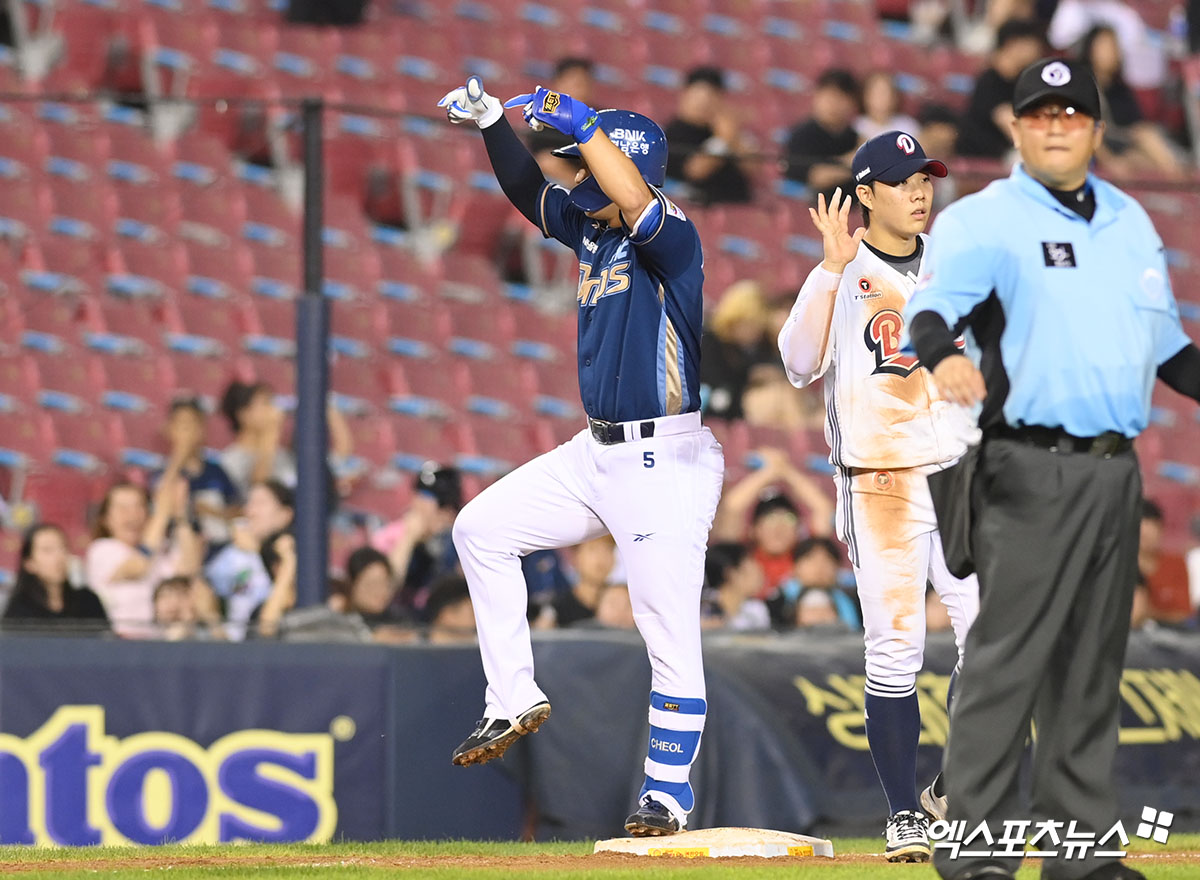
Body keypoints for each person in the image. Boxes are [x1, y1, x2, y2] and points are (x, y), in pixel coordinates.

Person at [906, 57, 1200, 880]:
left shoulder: (1132, 222)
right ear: (1016, 127)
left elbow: (1171, 350)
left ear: (1098, 129)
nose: (1057, 125)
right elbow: (929, 310)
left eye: (1072, 113)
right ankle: (975, 853)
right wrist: (942, 357)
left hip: (1115, 472)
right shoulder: (985, 218)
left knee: (1091, 667)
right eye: (1040, 113)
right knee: (1008, 662)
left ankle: (1082, 856)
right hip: (1028, 466)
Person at [437, 76, 724, 837]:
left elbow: (634, 199)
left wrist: (587, 124)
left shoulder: (672, 237)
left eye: (584, 161)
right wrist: (494, 123)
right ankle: (511, 698)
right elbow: (528, 190)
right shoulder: (593, 228)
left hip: (664, 458)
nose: (571, 175)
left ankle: (667, 794)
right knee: (480, 530)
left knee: (666, 627)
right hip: (596, 452)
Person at [777, 130, 981, 861]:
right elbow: (798, 362)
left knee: (998, 644)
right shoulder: (843, 269)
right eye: (902, 181)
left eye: (925, 177)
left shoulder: (956, 266)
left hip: (961, 474)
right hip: (881, 481)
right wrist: (829, 271)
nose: (920, 191)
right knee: (896, 650)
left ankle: (950, 790)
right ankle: (902, 815)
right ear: (864, 194)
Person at [86, 479, 202, 638]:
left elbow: (189, 571)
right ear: (105, 519)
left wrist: (180, 515)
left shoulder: (160, 549)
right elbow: (139, 567)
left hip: (159, 641)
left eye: (139, 507)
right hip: (121, 642)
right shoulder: (102, 549)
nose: (132, 514)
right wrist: (163, 511)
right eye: (123, 508)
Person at [711, 447, 835, 589]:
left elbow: (823, 508)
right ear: (754, 530)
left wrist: (787, 470)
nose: (778, 528)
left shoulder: (805, 558)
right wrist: (769, 471)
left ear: (798, 529)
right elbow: (732, 507)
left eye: (788, 519)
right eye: (770, 519)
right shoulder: (742, 557)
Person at [1077, 25, 1183, 178]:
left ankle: (1176, 176)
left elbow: (1136, 124)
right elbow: (1085, 131)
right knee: (1145, 137)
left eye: (1114, 46)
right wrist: (1110, 161)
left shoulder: (1119, 88)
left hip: (1121, 144)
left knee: (1145, 151)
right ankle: (1177, 175)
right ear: (1090, 49)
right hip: (1095, 149)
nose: (1111, 52)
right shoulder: (1082, 86)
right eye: (1105, 46)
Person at [203, 479, 295, 640]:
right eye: (249, 503)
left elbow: (287, 601)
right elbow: (202, 590)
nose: (250, 511)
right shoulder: (232, 554)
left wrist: (256, 551)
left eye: (260, 503)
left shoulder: (290, 550)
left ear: (285, 515)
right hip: (234, 644)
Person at [370, 463, 462, 614]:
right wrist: (409, 538)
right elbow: (386, 588)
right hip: (393, 618)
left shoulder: (454, 541)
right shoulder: (389, 537)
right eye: (419, 498)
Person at [157, 397, 240, 549]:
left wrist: (214, 512)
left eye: (194, 423)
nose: (188, 431)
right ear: (170, 429)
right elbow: (158, 507)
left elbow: (238, 509)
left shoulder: (216, 470)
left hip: (221, 546)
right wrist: (179, 455)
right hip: (180, 549)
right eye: (182, 424)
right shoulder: (162, 472)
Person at [663, 66, 753, 205]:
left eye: (711, 97)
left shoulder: (721, 129)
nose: (703, 104)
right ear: (684, 95)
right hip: (695, 207)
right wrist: (724, 140)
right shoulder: (673, 133)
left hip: (738, 207)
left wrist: (732, 137)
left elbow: (753, 168)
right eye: (698, 97)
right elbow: (695, 171)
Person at [957, 19, 1046, 158]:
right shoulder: (989, 81)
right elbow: (1012, 126)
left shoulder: (1022, 81)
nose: (1038, 50)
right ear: (1013, 44)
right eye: (1033, 43)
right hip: (981, 155)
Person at [2, 524, 109, 633]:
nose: (59, 556)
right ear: (29, 563)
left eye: (63, 547)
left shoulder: (88, 601)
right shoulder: (19, 610)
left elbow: (105, 638)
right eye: (48, 550)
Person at [782, 68, 861, 193]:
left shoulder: (855, 137)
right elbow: (817, 177)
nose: (834, 104)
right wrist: (856, 163)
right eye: (829, 97)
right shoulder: (802, 136)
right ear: (816, 96)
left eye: (841, 98)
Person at [775, 537, 861, 630]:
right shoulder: (779, 602)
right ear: (795, 566)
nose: (819, 566)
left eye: (827, 560)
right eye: (810, 559)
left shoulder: (855, 600)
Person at [532, 534, 616, 628]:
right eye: (593, 549)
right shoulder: (555, 609)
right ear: (576, 557)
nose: (601, 558)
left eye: (609, 550)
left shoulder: (622, 605)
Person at [1137, 499, 1193, 624]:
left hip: (1169, 631)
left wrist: (1148, 612)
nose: (1145, 539)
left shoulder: (1175, 564)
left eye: (1150, 532)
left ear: (1161, 530)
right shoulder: (1121, 567)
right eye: (1141, 535)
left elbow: (1183, 613)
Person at [700, 542, 770, 631]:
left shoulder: (756, 610)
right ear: (731, 573)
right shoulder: (701, 607)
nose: (759, 573)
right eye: (752, 566)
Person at [857, 71, 920, 141]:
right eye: (876, 92)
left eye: (885, 92)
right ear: (865, 96)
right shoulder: (856, 128)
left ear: (895, 97)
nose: (881, 97)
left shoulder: (908, 126)